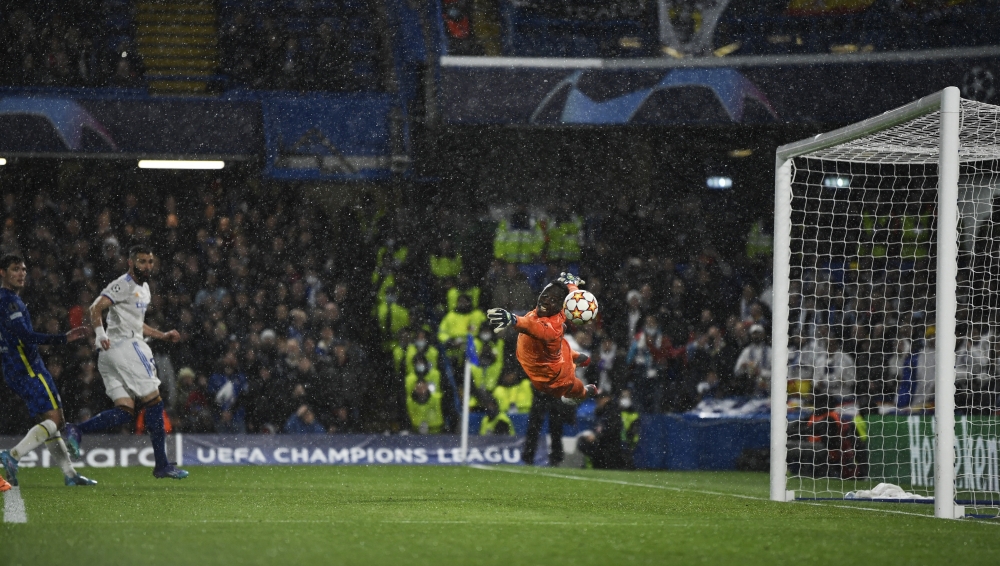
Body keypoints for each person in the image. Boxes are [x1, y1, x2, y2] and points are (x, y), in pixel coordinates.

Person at [64, 245, 188, 479]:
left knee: (125, 411)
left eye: (150, 262)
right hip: (124, 348)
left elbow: (135, 323)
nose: (147, 266)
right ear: (131, 262)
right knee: (154, 402)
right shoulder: (123, 284)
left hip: (112, 355)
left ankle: (76, 429)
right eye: (142, 261)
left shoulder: (145, 289)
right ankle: (161, 465)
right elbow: (95, 307)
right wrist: (101, 335)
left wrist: (162, 335)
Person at [0, 254, 96, 487]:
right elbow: (25, 336)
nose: (21, 273)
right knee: (55, 419)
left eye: (23, 269)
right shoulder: (8, 301)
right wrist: (63, 338)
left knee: (53, 420)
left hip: (14, 367)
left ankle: (70, 475)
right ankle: (12, 456)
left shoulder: (8, 299)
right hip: (28, 368)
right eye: (15, 269)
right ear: (2, 273)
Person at [487, 272, 598, 404]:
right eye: (545, 295)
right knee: (559, 345)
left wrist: (513, 319)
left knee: (574, 386)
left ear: (559, 307)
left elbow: (530, 326)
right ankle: (573, 357)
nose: (546, 300)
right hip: (541, 355)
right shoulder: (555, 311)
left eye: (552, 300)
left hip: (552, 376)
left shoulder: (548, 329)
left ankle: (583, 392)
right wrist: (572, 284)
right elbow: (573, 299)